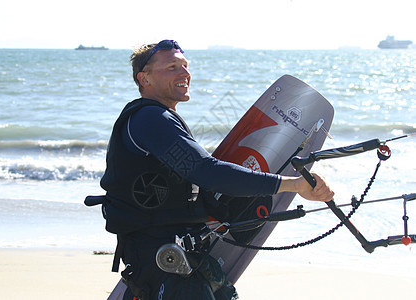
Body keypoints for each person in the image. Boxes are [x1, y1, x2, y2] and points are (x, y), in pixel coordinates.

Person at [98, 40, 334, 300]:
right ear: (145, 78)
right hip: (160, 257)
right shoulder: (151, 119)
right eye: (172, 67)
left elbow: (194, 178)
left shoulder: (158, 118)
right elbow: (207, 171)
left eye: (185, 66)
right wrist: (293, 185)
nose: (184, 73)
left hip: (177, 254)